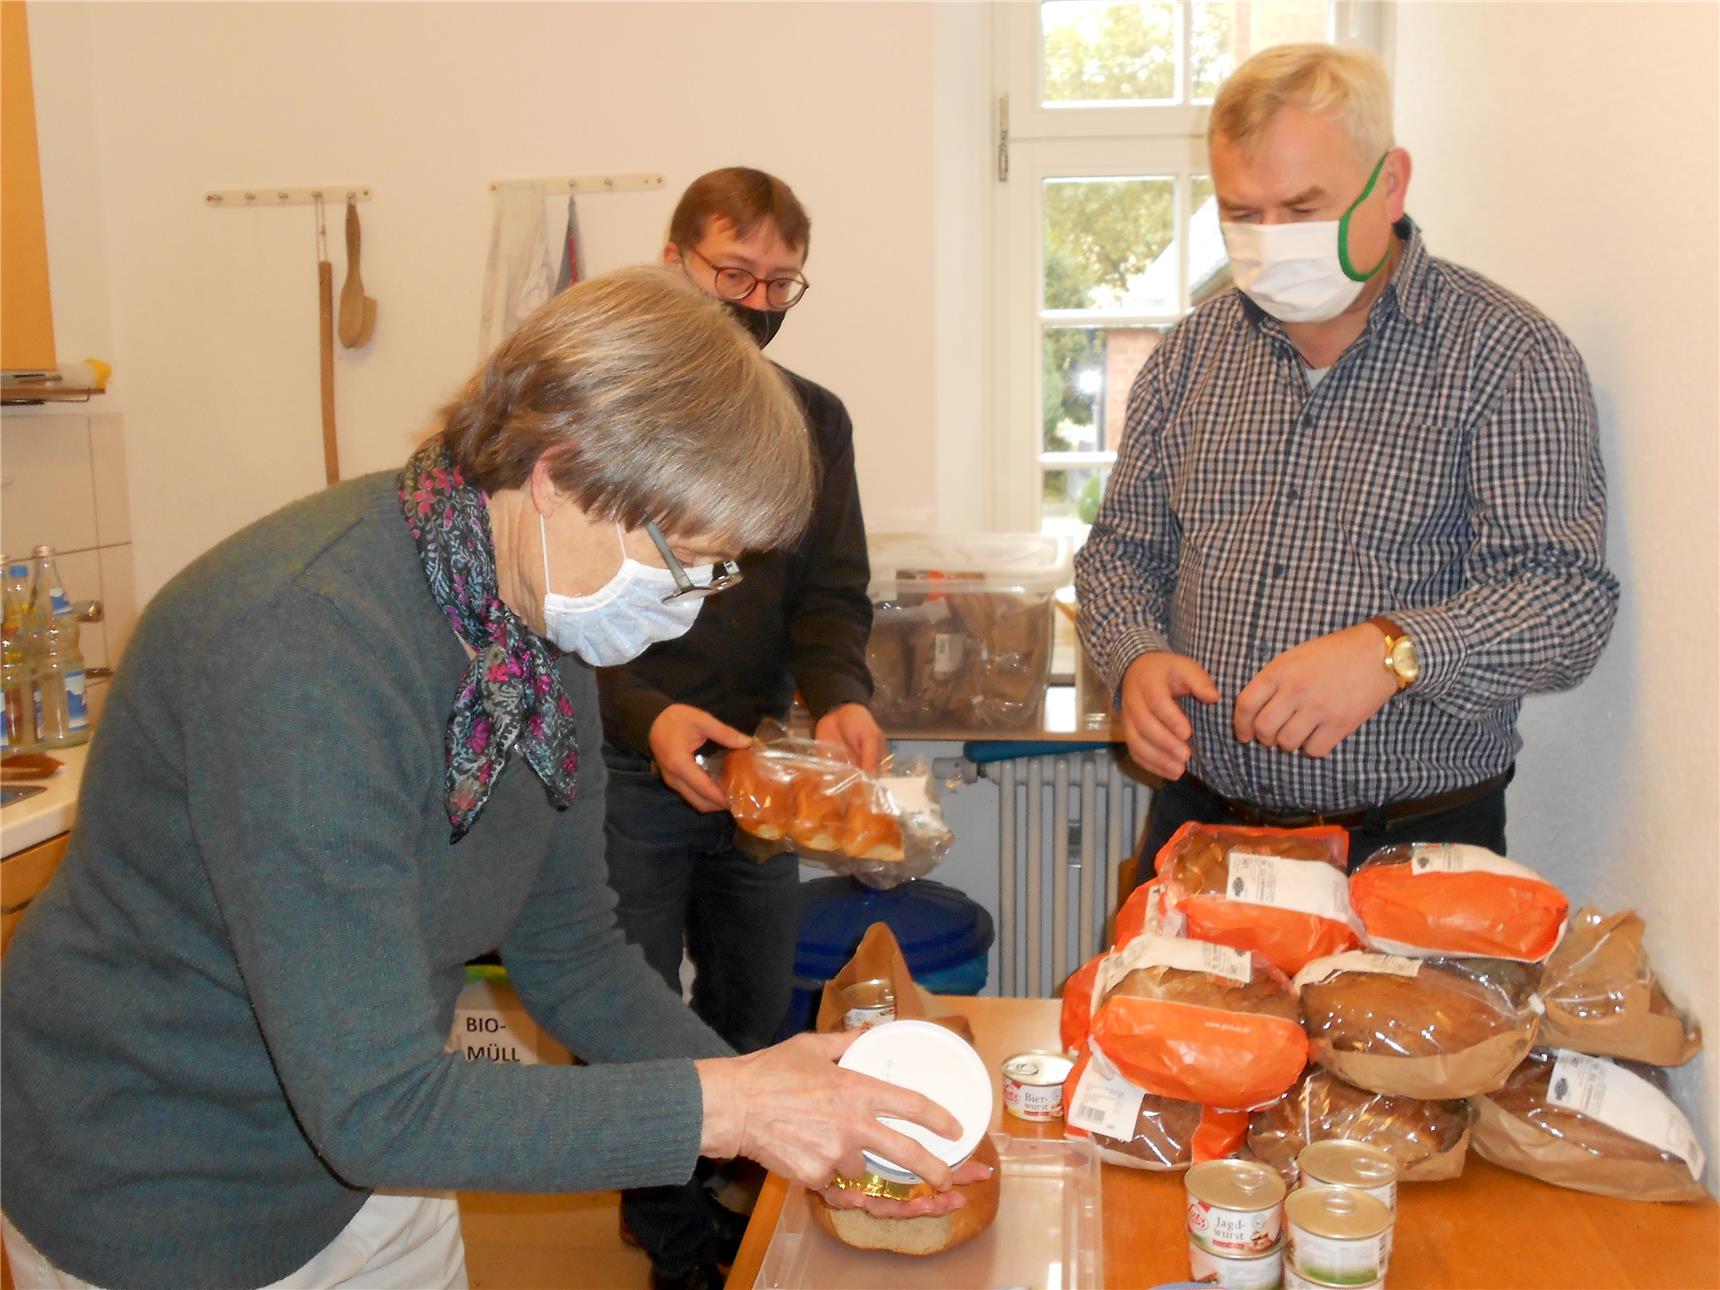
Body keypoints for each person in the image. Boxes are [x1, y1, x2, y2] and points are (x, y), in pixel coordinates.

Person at [0, 267, 982, 1290]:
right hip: (165, 1189)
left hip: (369, 1151)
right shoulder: (301, 652)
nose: (689, 605)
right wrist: (732, 1112)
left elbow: (571, 950)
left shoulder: (528, 620)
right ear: (557, 472)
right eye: (680, 558)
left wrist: (763, 1093)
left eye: (716, 569)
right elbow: (378, 1107)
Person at [1075, 44, 1619, 878]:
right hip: (1204, 826)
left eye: (1302, 207)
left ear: (1392, 183)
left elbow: (1567, 604)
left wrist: (1392, 651)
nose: (1271, 242)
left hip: (1411, 848)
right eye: (1242, 215)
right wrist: (1135, 655)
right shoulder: (1190, 355)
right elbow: (1120, 551)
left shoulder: (1506, 355)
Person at [596, 168, 883, 1290]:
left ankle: (734, 1213)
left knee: (755, 1006)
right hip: (625, 765)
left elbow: (830, 594)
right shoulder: (611, 412)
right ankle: (675, 1245)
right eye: (733, 274)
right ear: (675, 263)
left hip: (759, 768)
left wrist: (843, 693)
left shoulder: (811, 420)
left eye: (779, 282)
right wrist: (649, 715)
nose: (755, 301)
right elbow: (552, 625)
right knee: (628, 1019)